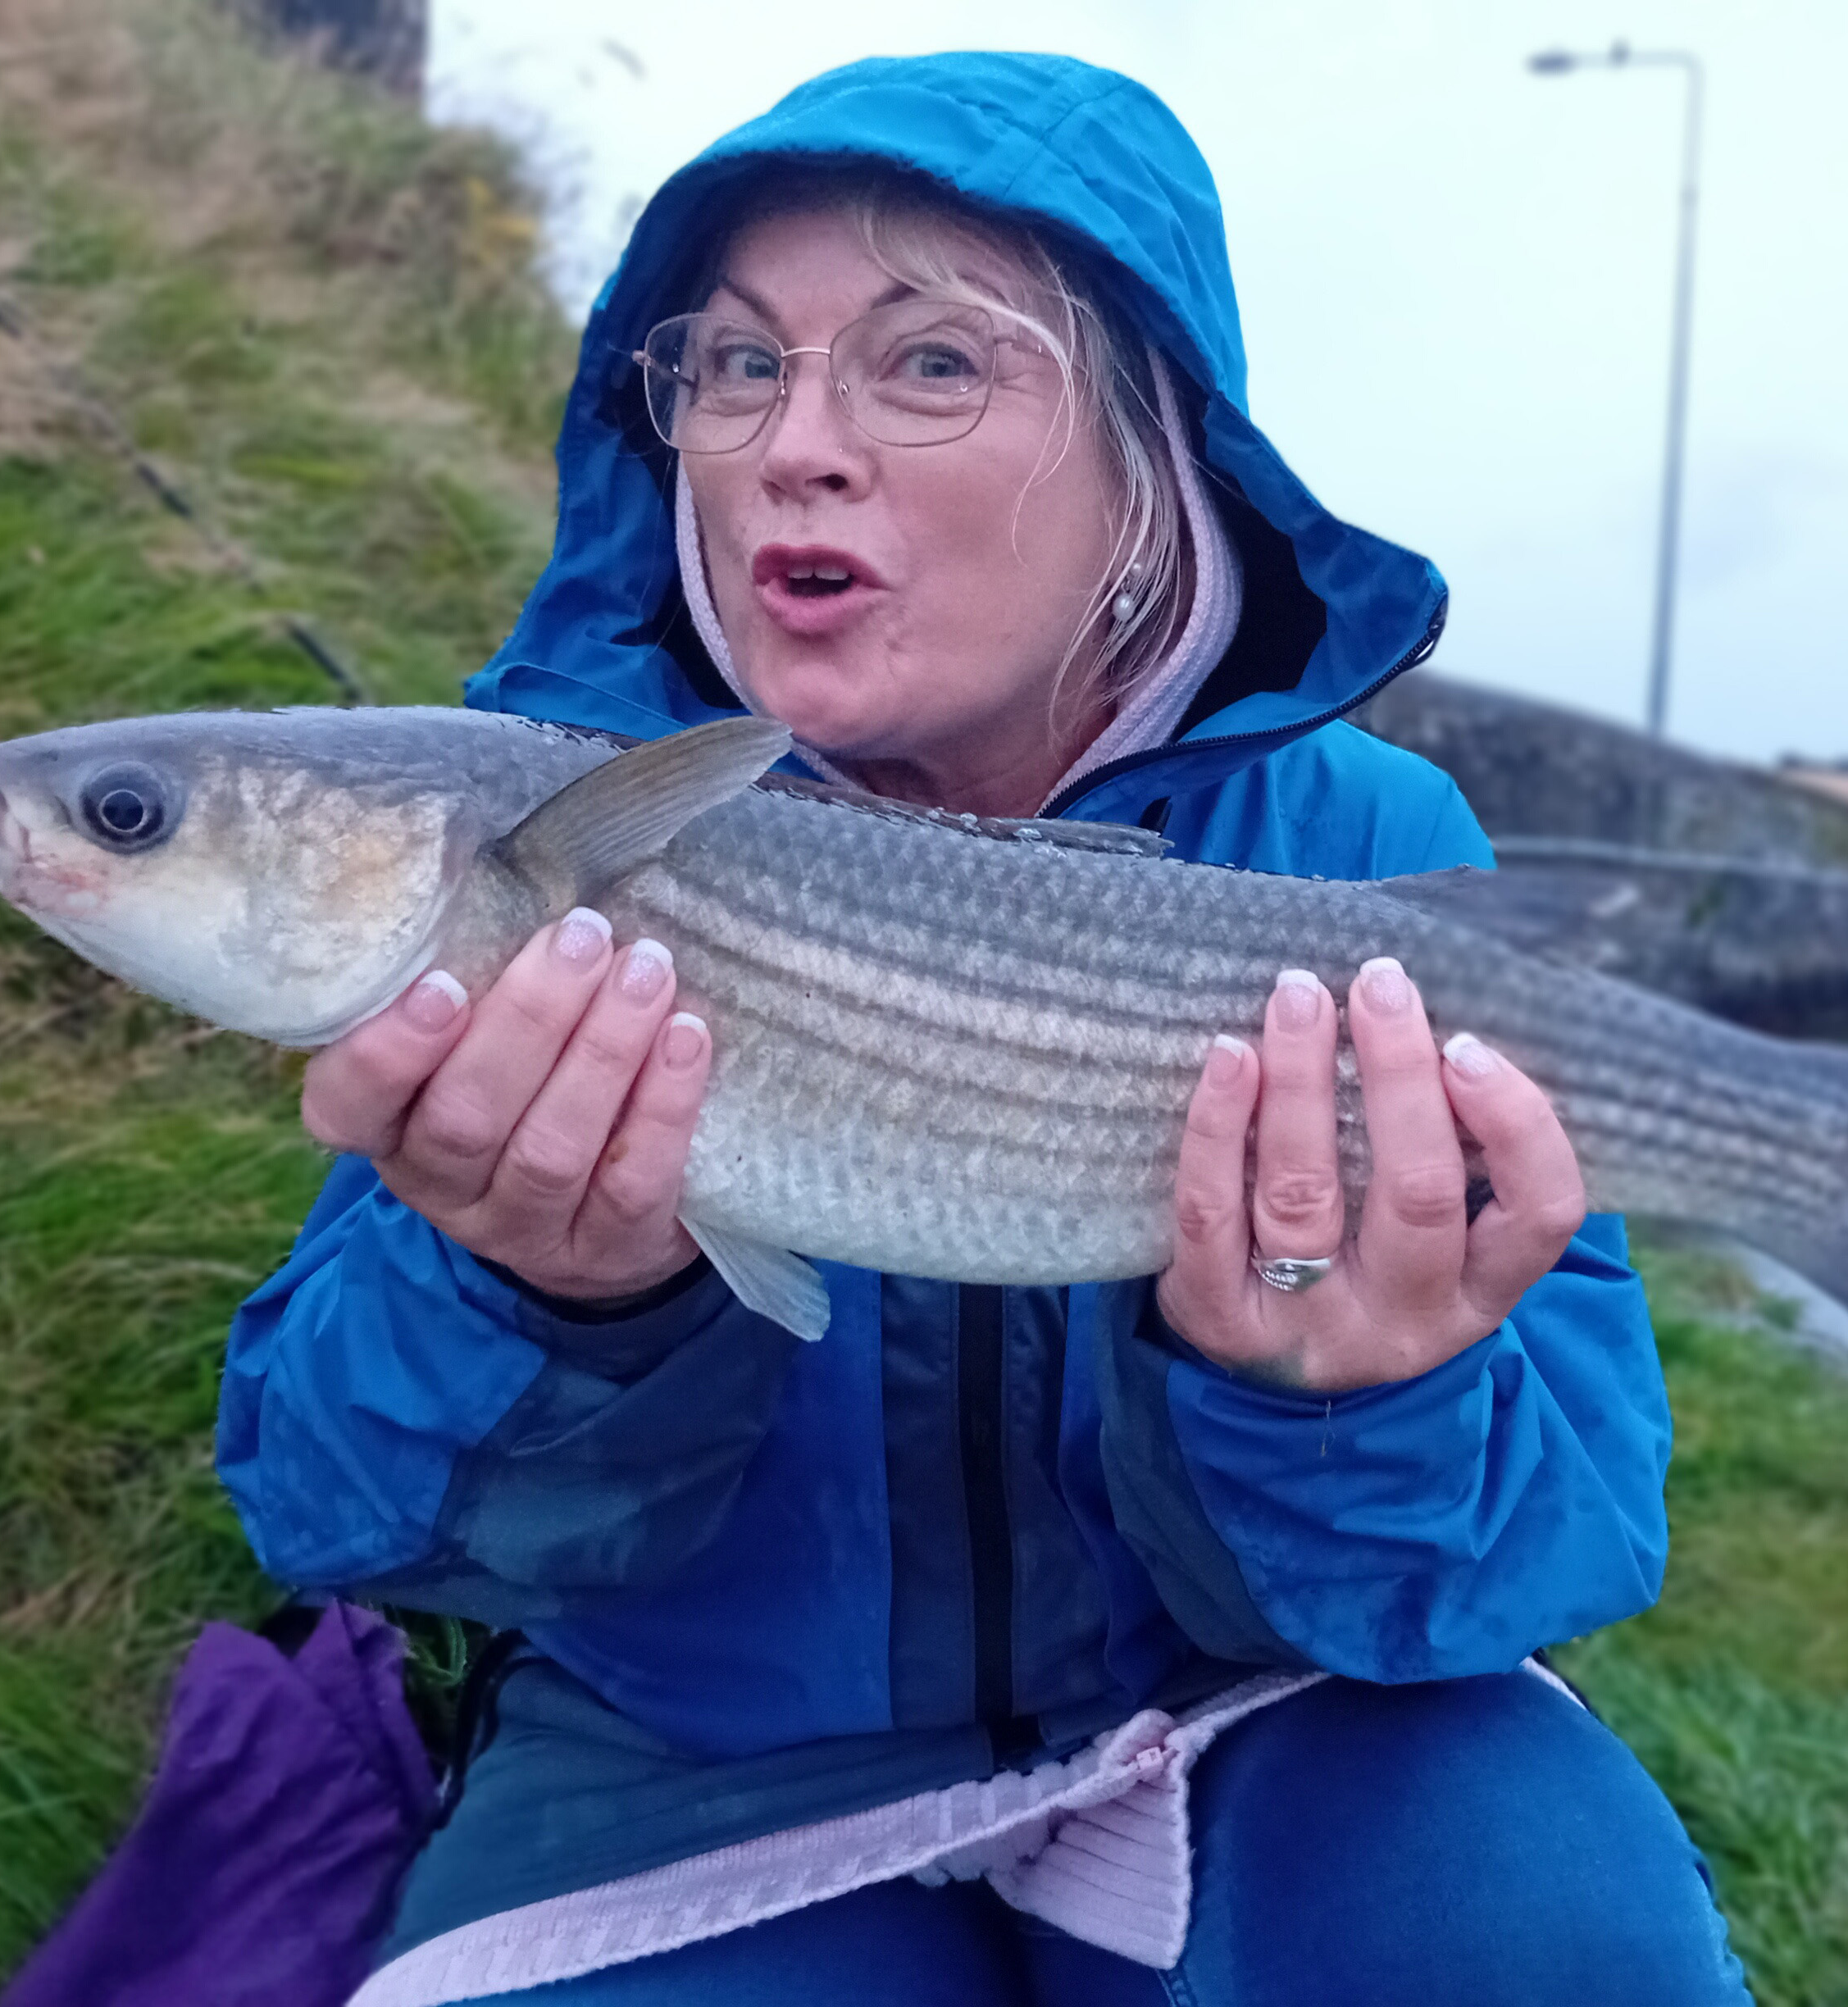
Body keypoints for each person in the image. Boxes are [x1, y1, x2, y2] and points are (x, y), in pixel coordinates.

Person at [219, 51, 1752, 2007]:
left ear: (1150, 464)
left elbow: (1560, 1543)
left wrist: (1341, 1397)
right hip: (690, 1779)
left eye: (932, 363)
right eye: (739, 366)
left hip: (1256, 1723)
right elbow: (339, 1511)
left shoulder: (1370, 856)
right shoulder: (526, 836)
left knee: (1544, 1949)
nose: (794, 444)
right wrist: (552, 1304)